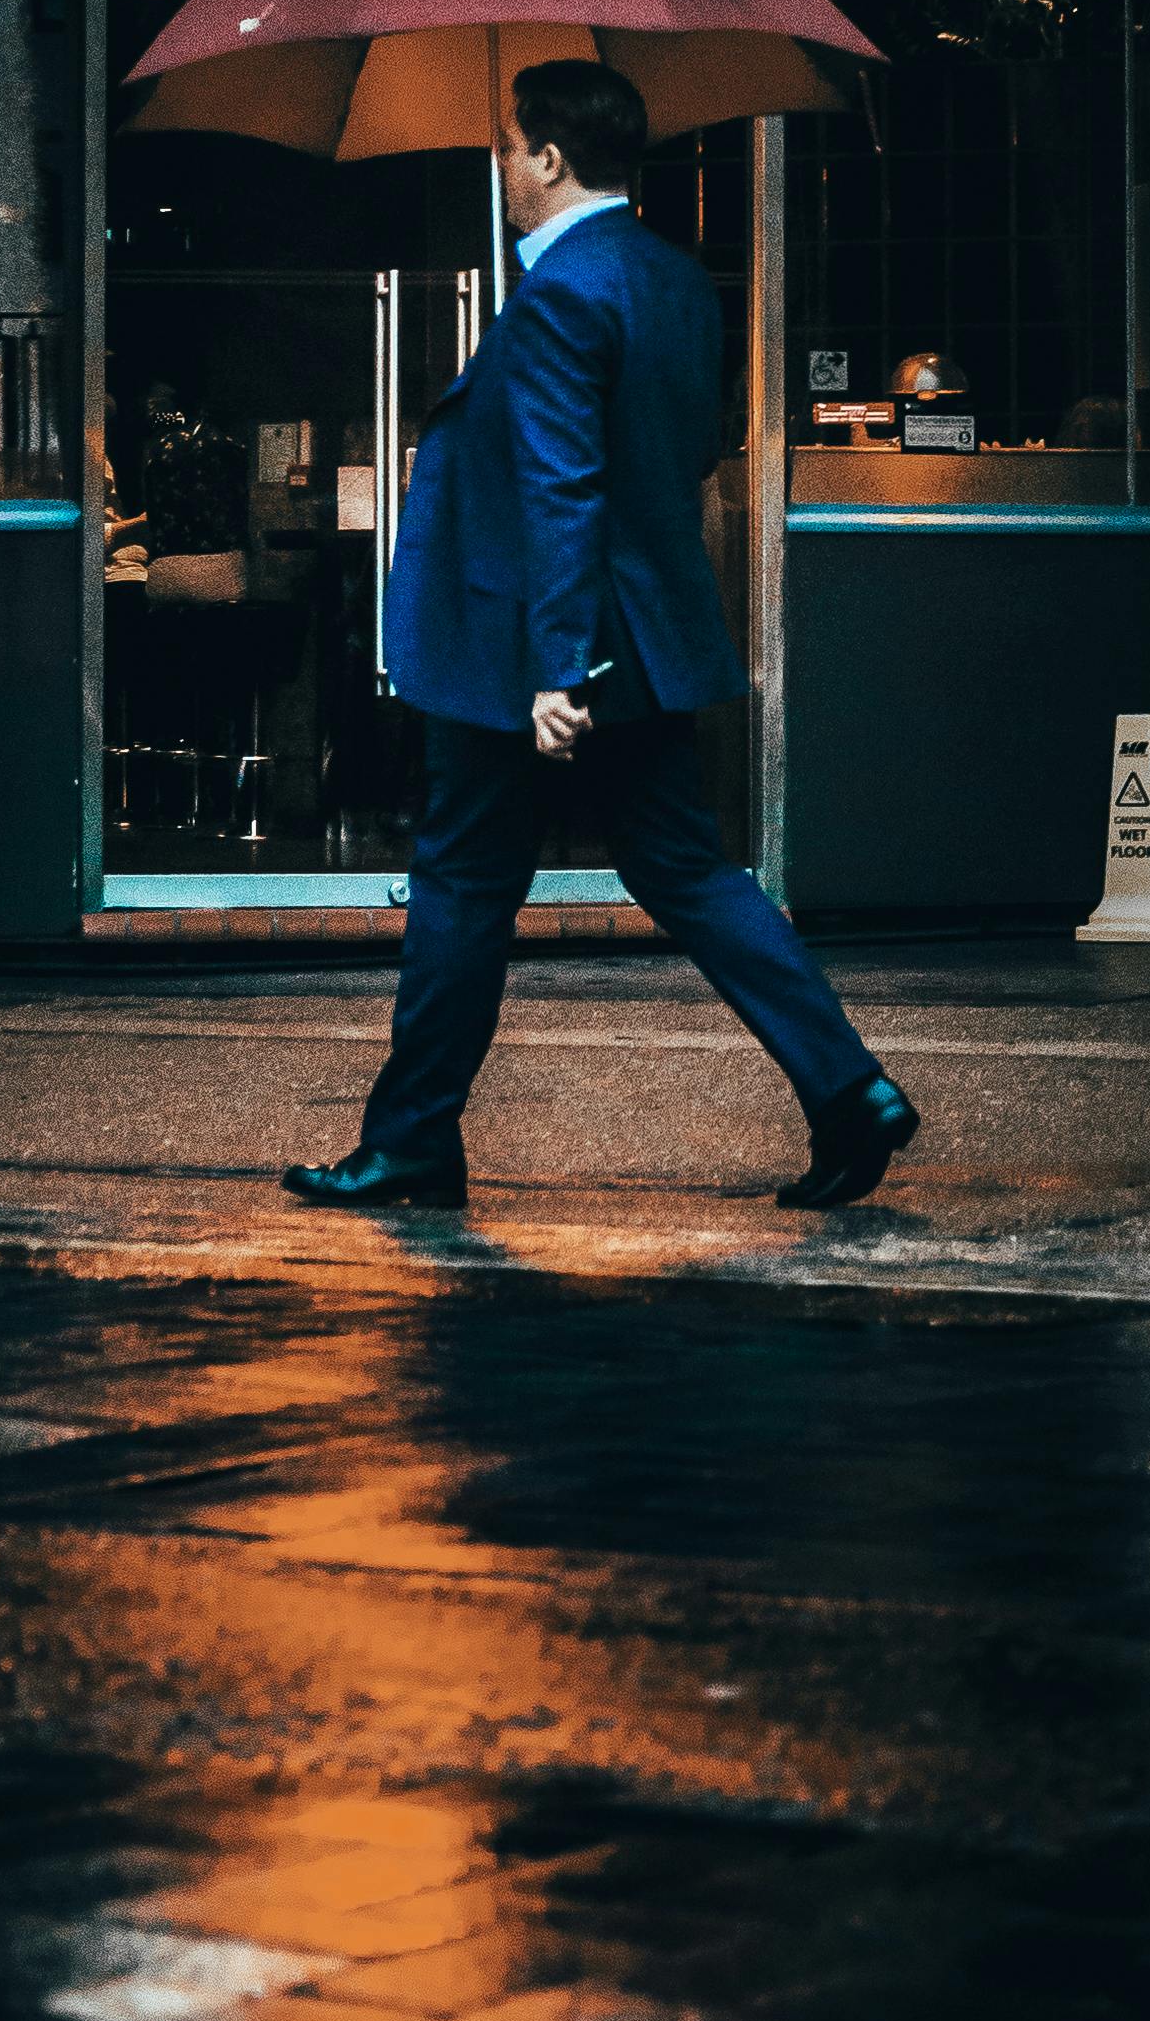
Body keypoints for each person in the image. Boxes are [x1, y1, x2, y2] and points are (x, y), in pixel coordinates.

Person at [285, 59, 919, 1216]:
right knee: (686, 868)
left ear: (548, 158)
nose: (499, 167)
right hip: (643, 635)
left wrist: (556, 668)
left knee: (464, 881)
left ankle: (412, 1141)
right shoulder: (673, 279)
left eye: (505, 146)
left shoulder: (559, 294)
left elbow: (562, 488)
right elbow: (682, 453)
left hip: (523, 650)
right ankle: (849, 1088)